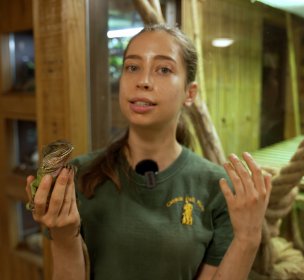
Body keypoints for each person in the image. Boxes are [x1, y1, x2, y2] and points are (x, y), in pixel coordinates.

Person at [26, 24, 272, 280]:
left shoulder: (218, 188)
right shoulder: (78, 176)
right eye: (132, 67)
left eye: (163, 69)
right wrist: (64, 236)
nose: (143, 81)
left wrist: (248, 238)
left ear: (190, 93)